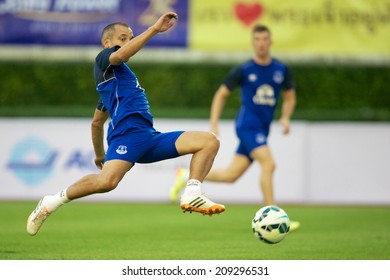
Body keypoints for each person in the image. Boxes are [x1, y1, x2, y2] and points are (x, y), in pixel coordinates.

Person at [27, 12, 225, 236]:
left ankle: (191, 193)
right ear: (107, 42)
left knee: (209, 141)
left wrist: (99, 154)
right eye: (123, 38)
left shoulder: (117, 81)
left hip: (148, 137)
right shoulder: (103, 60)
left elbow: (96, 123)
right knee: (107, 182)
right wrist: (153, 29)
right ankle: (50, 202)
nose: (127, 42)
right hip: (127, 135)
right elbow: (120, 57)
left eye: (130, 38)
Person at [170, 24, 299, 230]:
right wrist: (214, 122)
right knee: (269, 164)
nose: (261, 43)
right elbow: (221, 94)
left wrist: (285, 117)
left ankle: (185, 176)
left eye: (264, 39)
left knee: (230, 176)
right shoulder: (244, 70)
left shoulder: (280, 70)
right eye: (257, 39)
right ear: (252, 43)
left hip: (262, 129)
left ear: (270, 42)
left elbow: (290, 96)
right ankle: (273, 217)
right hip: (248, 125)